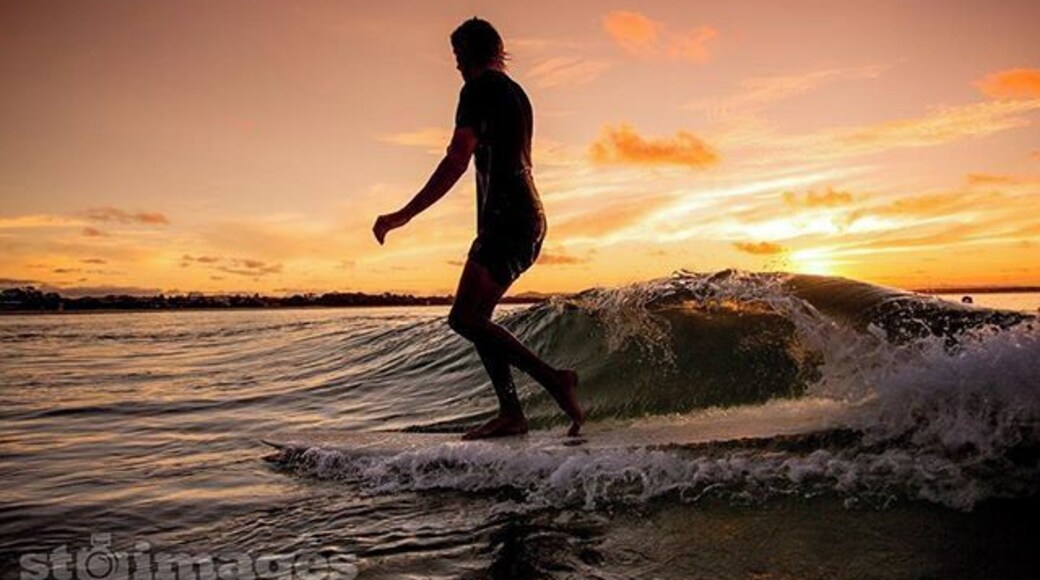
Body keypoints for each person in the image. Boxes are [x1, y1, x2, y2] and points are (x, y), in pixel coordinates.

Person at [372, 17, 584, 439]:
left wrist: (404, 214)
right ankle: (511, 414)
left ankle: (554, 381)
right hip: (527, 217)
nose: (455, 66)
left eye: (456, 56)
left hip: (509, 217)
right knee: (476, 318)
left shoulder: (477, 89)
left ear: (469, 53)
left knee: (465, 317)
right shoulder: (516, 93)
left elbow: (457, 157)